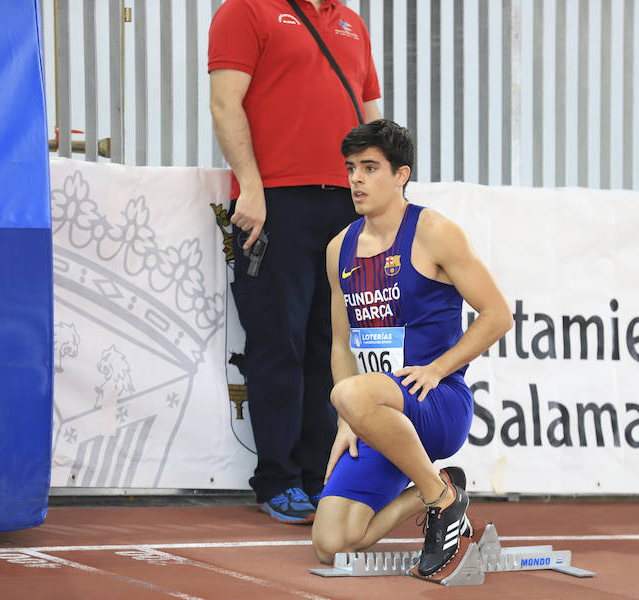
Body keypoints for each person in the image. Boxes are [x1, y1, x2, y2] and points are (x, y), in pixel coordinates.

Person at [311, 120, 513, 576]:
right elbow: (341, 344)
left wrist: (439, 369)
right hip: (379, 414)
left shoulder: (434, 232)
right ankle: (434, 489)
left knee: (348, 393)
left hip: (435, 404)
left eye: (369, 168)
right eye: (350, 169)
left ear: (401, 175)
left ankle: (441, 503)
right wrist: (351, 422)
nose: (356, 180)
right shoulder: (338, 249)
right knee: (332, 543)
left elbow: (498, 314)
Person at [208, 0, 382, 524]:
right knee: (277, 340)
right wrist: (252, 186)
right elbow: (224, 104)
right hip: (277, 202)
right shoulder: (245, 10)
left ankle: (318, 476)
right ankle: (278, 478)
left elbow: (372, 118)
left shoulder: (352, 22)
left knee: (331, 346)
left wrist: (379, 195)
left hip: (344, 208)